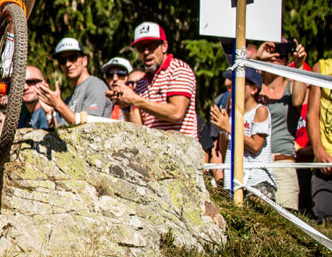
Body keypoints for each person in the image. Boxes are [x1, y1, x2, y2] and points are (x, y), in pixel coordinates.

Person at [111, 22, 198, 139]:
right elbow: (139, 129)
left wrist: (135, 99)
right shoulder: (141, 83)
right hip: (155, 153)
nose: (146, 52)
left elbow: (176, 113)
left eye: (151, 46)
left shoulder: (179, 70)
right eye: (141, 47)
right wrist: (125, 107)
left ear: (164, 46)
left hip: (181, 152)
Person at [257, 40, 307, 210]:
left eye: (280, 57)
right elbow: (235, 102)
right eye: (271, 57)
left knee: (288, 220)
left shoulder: (291, 87)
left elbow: (299, 100)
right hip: (255, 164)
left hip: (282, 163)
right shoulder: (252, 89)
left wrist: (299, 66)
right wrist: (257, 57)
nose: (275, 59)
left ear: (286, 62)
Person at [209, 67, 274, 200]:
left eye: (238, 82)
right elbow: (223, 150)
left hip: (256, 181)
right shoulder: (233, 115)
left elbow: (256, 146)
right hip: (233, 181)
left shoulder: (260, 111)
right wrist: (222, 128)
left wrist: (228, 128)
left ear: (254, 89)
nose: (232, 86)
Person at [41, 37, 109, 125]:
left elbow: (89, 126)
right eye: (62, 60)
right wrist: (49, 113)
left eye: (73, 57)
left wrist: (58, 104)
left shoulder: (96, 86)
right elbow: (62, 133)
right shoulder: (69, 99)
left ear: (84, 61)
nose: (68, 64)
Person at [306, 54, 332, 222]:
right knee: (324, 220)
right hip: (325, 163)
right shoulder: (322, 68)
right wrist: (318, 150)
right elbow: (312, 114)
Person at [99, 57, 134, 121]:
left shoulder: (137, 102)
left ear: (129, 77)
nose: (115, 79)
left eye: (121, 73)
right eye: (110, 75)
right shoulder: (108, 103)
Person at [19, 65, 53, 129]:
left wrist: (49, 116)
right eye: (20, 84)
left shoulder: (51, 114)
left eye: (30, 82)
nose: (25, 87)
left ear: (44, 84)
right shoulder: (22, 119)